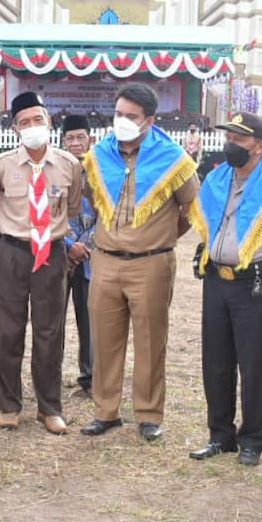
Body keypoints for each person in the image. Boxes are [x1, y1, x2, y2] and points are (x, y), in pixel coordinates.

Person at [76, 87, 199, 441]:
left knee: (150, 341)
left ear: (149, 120)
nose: (122, 122)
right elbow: (93, 200)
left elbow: (191, 207)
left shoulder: (173, 160)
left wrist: (161, 236)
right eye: (118, 114)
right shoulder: (99, 156)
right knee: (104, 340)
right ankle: (105, 412)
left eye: (131, 116)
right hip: (105, 261)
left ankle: (148, 414)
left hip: (151, 263)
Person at [188, 112, 262, 466]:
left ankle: (252, 440)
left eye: (240, 139)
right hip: (216, 280)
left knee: (254, 365)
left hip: (256, 283)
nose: (231, 145)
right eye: (229, 138)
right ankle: (219, 436)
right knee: (216, 362)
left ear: (260, 146)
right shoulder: (216, 178)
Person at [0, 92, 82, 434]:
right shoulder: (1, 165)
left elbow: (73, 207)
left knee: (50, 332)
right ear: (16, 129)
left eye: (38, 120)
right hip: (11, 252)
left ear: (49, 122)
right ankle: (8, 404)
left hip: (52, 253)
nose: (32, 126)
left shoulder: (69, 164)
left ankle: (49, 407)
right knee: (7, 330)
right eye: (24, 122)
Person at [61, 115, 98, 399]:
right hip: (59, 255)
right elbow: (47, 212)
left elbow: (108, 215)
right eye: (70, 138)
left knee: (90, 322)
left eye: (80, 138)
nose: (75, 143)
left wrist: (82, 246)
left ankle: (90, 378)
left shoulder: (101, 173)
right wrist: (67, 245)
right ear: (63, 142)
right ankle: (50, 376)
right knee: (53, 322)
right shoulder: (55, 170)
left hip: (90, 258)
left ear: (90, 140)